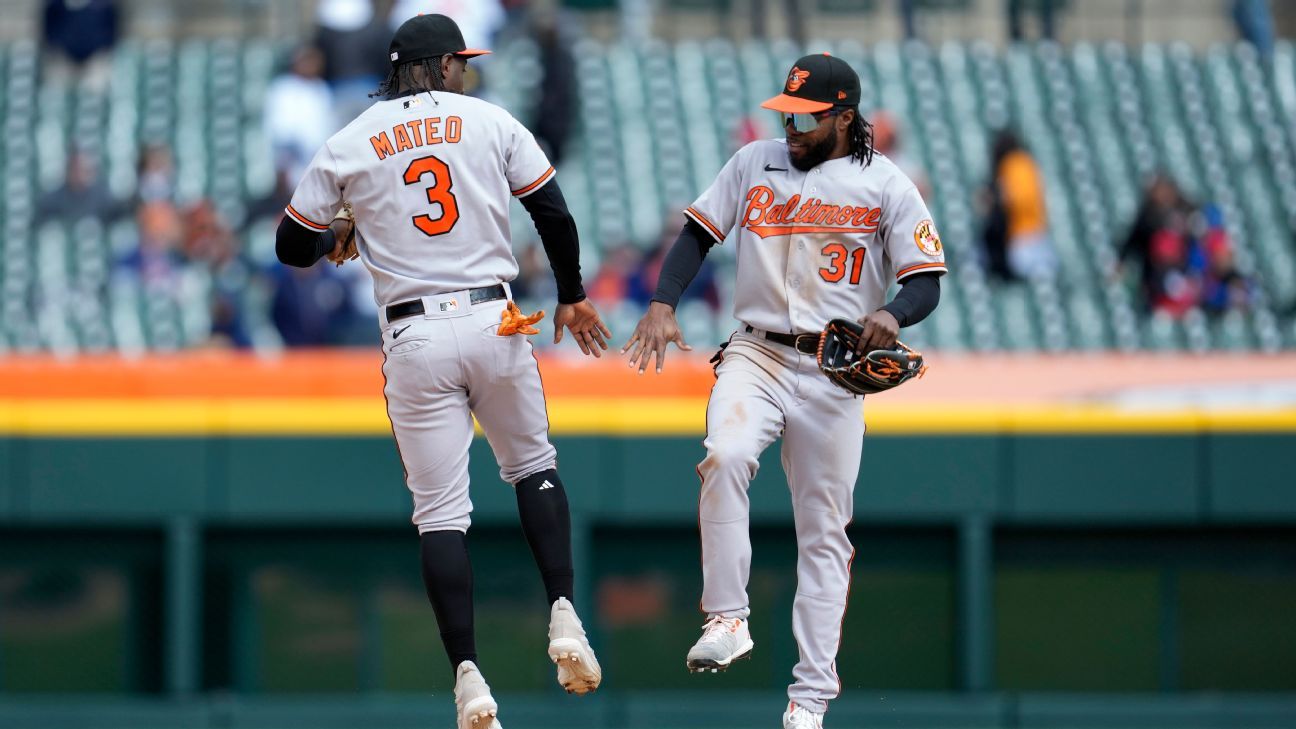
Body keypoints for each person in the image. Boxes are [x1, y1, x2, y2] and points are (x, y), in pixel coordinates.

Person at [273, 14, 609, 729]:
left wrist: (341, 229)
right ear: (435, 65)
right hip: (497, 316)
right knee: (533, 465)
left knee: (440, 515)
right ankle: (565, 613)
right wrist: (573, 295)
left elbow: (290, 246)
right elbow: (552, 212)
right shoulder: (488, 119)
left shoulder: (350, 138)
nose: (462, 70)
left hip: (415, 332)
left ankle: (468, 677)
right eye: (457, 60)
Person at [621, 53, 944, 729]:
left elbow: (924, 280)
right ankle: (727, 616)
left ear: (845, 117)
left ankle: (809, 699)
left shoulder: (886, 184)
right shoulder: (753, 162)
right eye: (787, 114)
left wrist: (891, 315)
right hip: (758, 351)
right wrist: (662, 301)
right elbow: (696, 234)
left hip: (834, 368)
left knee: (825, 533)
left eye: (807, 116)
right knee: (727, 453)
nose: (792, 126)